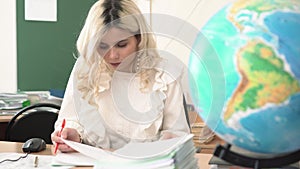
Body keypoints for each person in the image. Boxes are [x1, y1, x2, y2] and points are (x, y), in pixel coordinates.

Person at [51, 0, 190, 153]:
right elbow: (70, 119)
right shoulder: (86, 68)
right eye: (102, 46)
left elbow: (178, 135)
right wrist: (72, 135)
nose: (112, 55)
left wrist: (166, 145)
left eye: (122, 45)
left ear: (139, 39)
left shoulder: (164, 74)